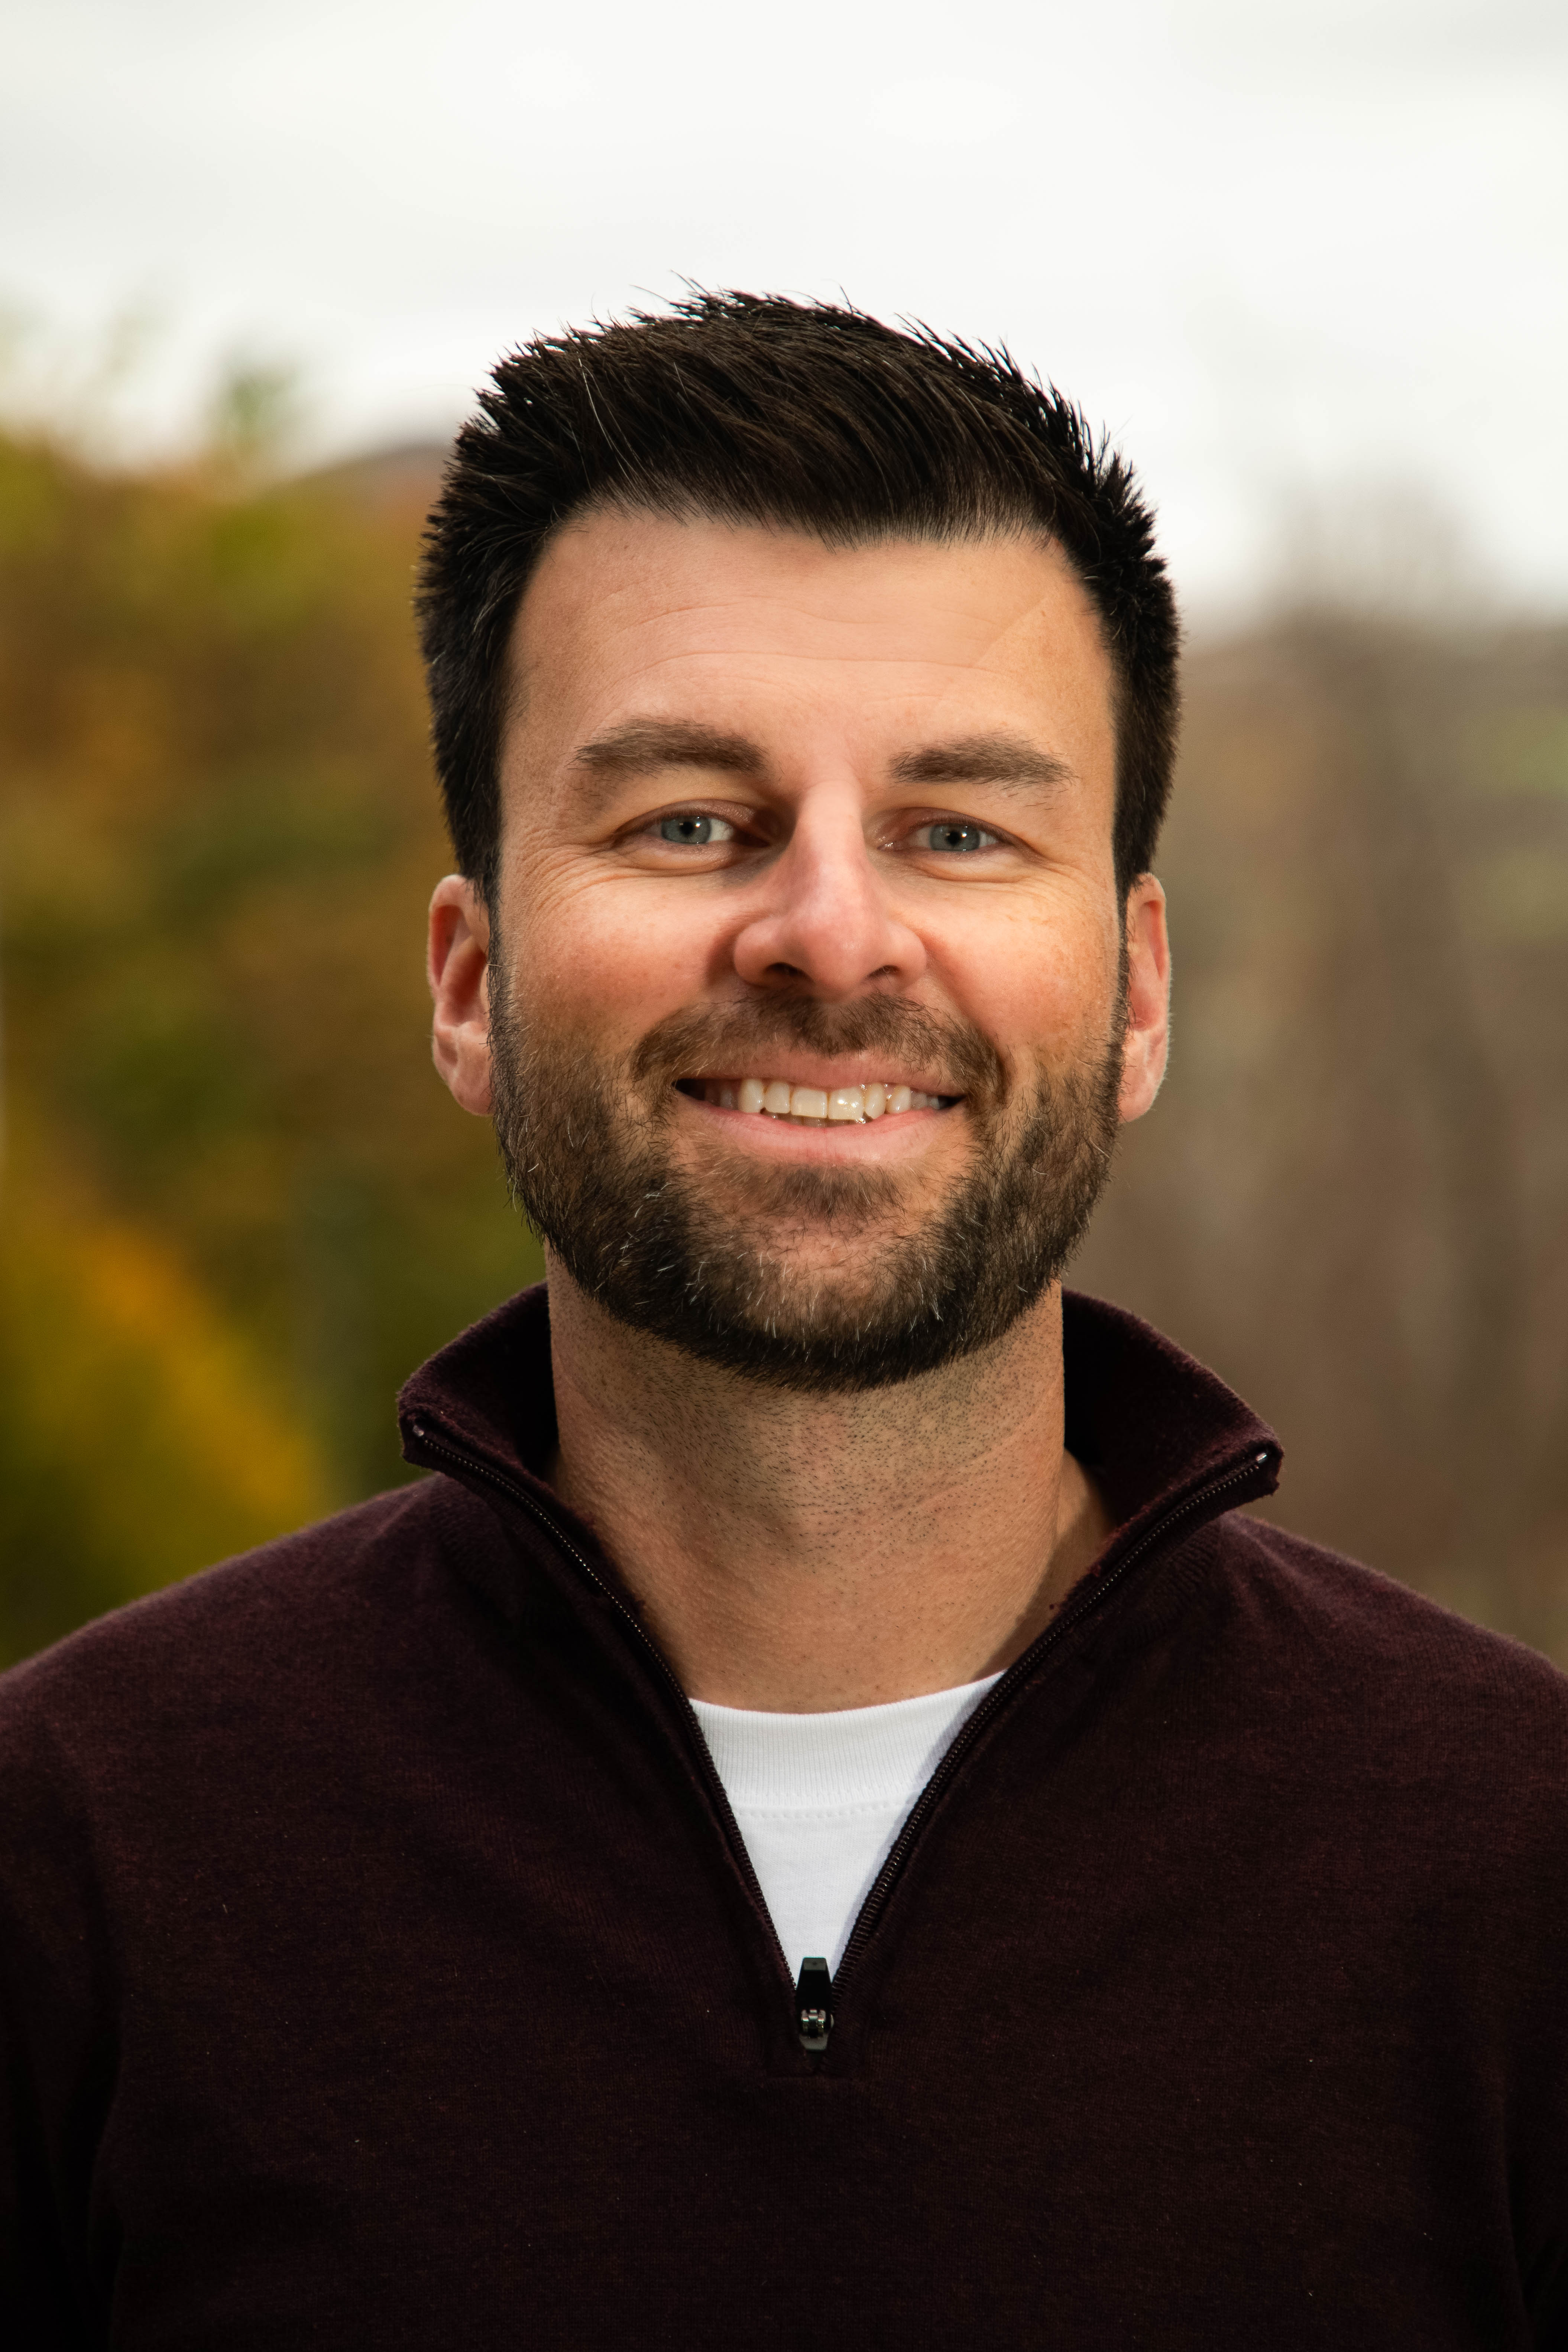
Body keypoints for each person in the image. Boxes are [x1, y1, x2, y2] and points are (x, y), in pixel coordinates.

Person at [1, 292, 1564, 2348]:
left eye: (958, 830)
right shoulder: (71, 1866)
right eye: (686, 821)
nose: (832, 933)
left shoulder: (1522, 1879)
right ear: (470, 981)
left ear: (1139, 990)